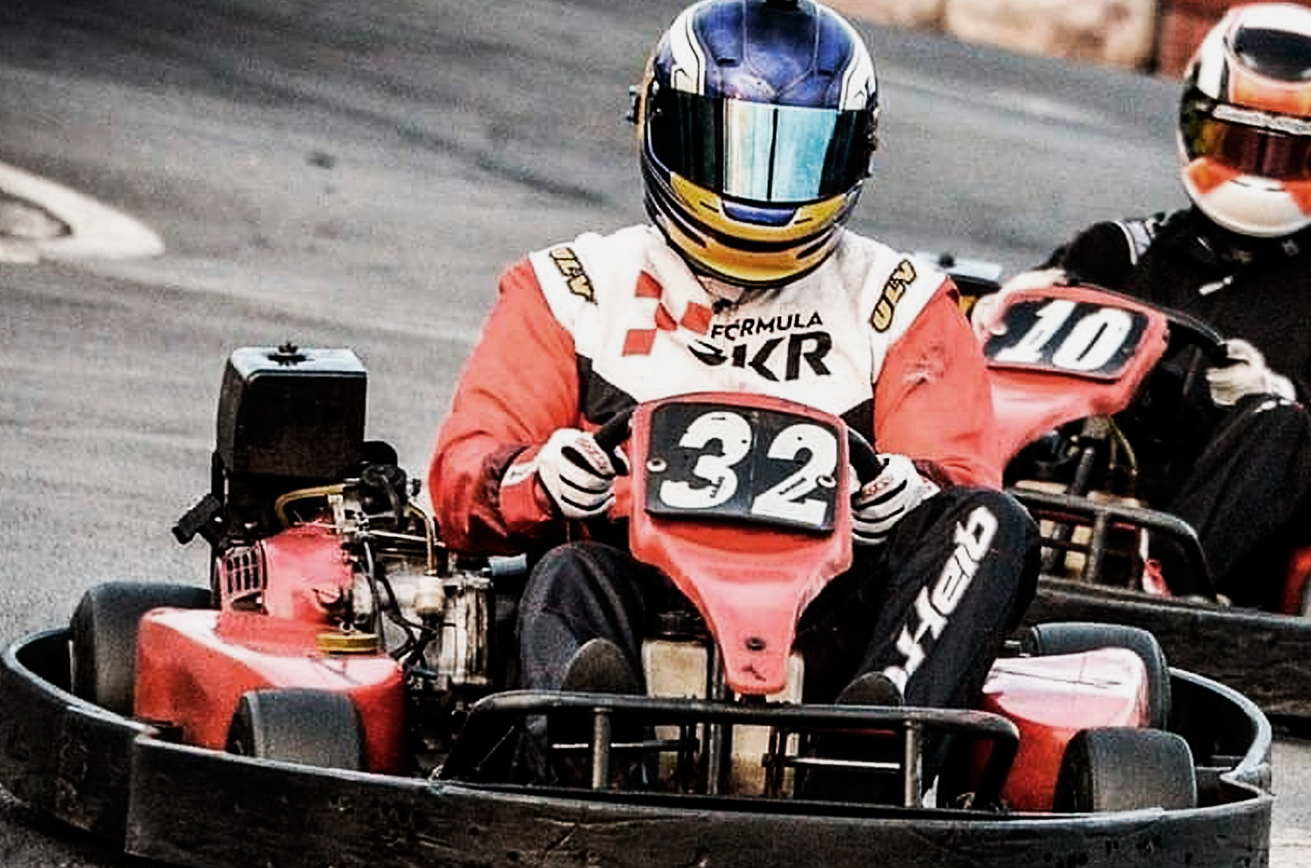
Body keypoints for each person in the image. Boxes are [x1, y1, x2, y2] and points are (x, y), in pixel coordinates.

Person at [428, 0, 1038, 723]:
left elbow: (960, 480)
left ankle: (874, 748)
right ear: (664, 126)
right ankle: (594, 764)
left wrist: (911, 492)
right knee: (566, 573)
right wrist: (538, 477)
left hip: (837, 622)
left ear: (853, 153)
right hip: (635, 590)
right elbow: (462, 478)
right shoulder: (573, 289)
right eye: (736, 148)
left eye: (798, 155)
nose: (762, 189)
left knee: (993, 524)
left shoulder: (896, 301)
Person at [974, 2, 1311, 608]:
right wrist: (1004, 314)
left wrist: (1268, 394)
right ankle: (939, 530)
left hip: (1234, 559)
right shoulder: (1115, 254)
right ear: (1197, 125)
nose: (1261, 173)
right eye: (1239, 142)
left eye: (1288, 153)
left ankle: (1161, 589)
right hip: (1071, 493)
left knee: (1283, 426)